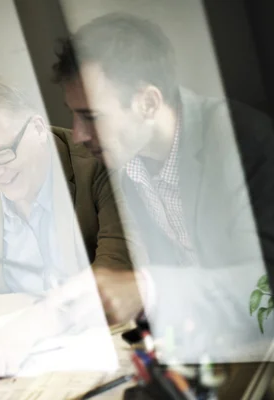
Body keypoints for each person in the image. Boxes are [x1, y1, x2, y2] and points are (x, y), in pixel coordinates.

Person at [54, 13, 274, 361]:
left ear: (149, 102)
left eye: (91, 116)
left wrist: (146, 289)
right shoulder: (129, 166)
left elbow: (265, 289)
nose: (77, 135)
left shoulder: (247, 142)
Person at [0, 78, 134, 297]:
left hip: (88, 315)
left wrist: (54, 315)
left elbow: (117, 264)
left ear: (38, 128)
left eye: (2, 153)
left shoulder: (96, 162)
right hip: (13, 320)